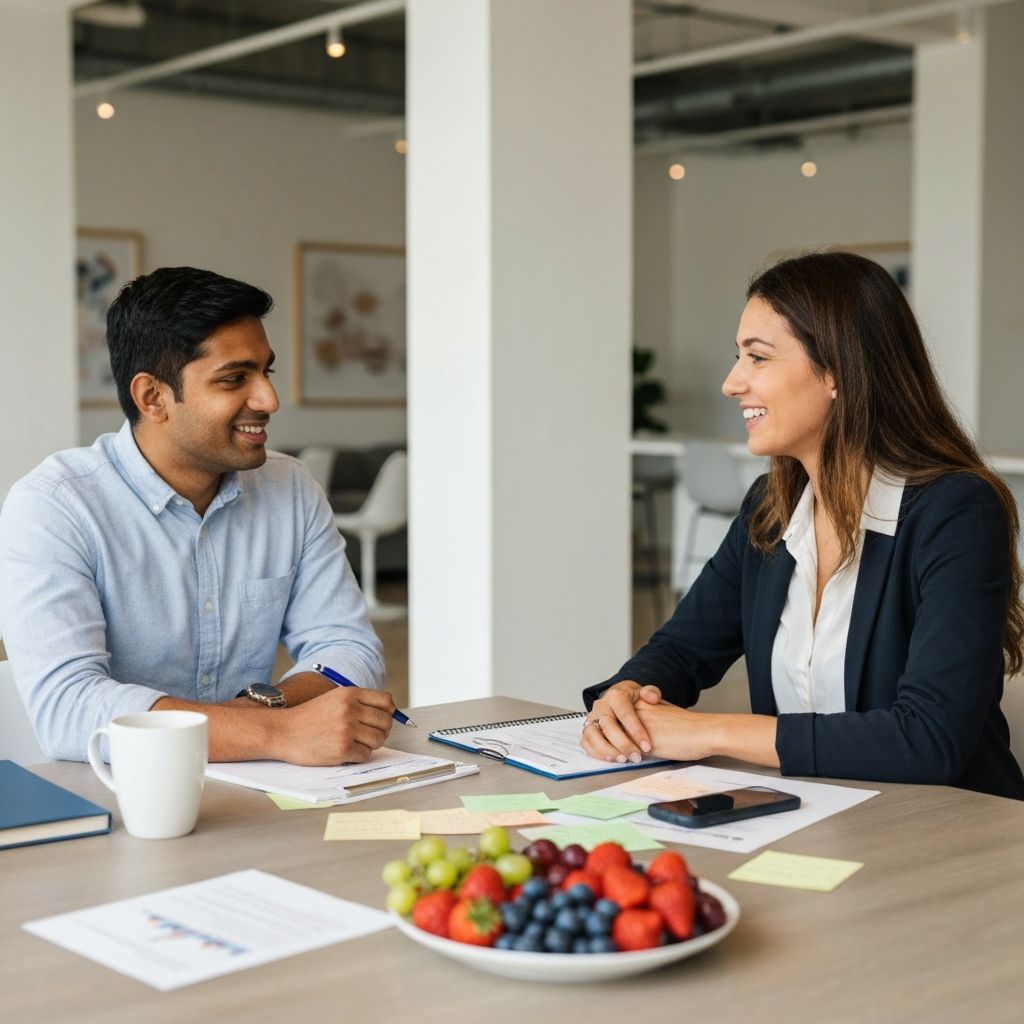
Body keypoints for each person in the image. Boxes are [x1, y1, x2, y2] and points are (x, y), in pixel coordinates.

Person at [582, 251, 1024, 800]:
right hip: (814, 819)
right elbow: (679, 650)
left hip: (946, 836)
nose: (732, 382)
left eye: (758, 358)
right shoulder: (769, 507)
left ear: (838, 370)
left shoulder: (956, 512)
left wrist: (707, 731)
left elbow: (929, 738)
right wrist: (625, 694)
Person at [0, 266, 398, 765]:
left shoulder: (289, 487)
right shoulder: (54, 507)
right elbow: (68, 708)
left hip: (263, 788)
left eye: (265, 372)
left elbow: (348, 647)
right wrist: (273, 733)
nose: (269, 399)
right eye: (235, 378)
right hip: (119, 792)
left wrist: (255, 714)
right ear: (153, 397)